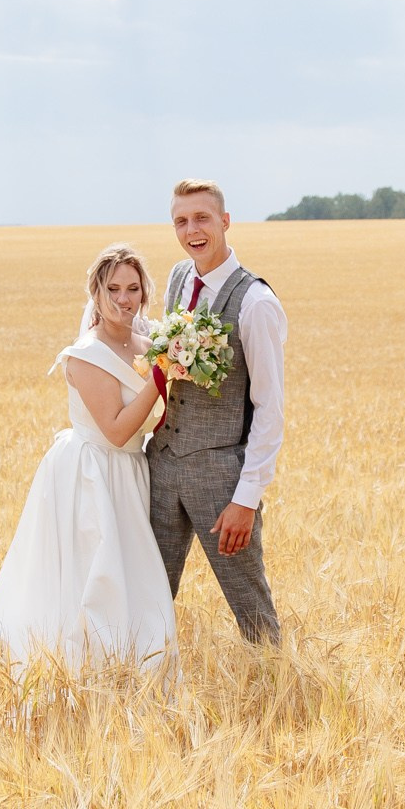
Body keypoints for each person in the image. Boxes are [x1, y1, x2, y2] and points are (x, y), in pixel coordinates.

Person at [0, 243, 177, 673]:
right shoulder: (86, 354)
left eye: (133, 289)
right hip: (92, 472)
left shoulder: (151, 343)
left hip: (130, 473)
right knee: (93, 576)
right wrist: (161, 375)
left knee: (131, 578)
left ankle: (134, 666)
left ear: (145, 293)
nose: (124, 299)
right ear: (96, 294)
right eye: (113, 289)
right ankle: (83, 671)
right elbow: (118, 428)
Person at [147, 179, 286, 643]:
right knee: (146, 595)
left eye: (202, 218)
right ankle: (139, 687)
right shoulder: (177, 278)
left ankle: (279, 693)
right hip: (161, 462)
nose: (192, 230)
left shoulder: (255, 302)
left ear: (225, 222)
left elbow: (269, 408)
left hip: (220, 475)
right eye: (181, 221)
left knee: (252, 609)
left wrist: (246, 498)